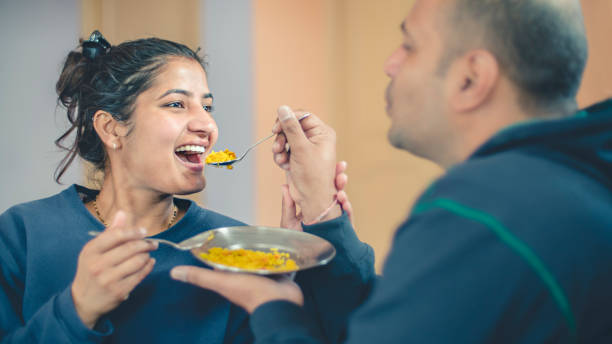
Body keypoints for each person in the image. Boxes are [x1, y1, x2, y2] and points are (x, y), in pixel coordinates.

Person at [170, 0, 612, 342]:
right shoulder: (574, 185)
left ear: (471, 78)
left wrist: (274, 308)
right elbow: (401, 322)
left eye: (410, 45)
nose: (391, 63)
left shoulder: (486, 212)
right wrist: (323, 215)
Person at [0, 31, 374, 343]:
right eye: (177, 104)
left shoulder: (237, 248)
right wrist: (76, 309)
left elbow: (356, 329)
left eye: (207, 107)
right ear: (112, 128)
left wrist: (278, 291)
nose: (206, 125)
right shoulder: (23, 234)